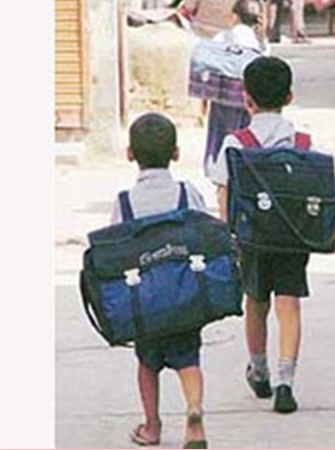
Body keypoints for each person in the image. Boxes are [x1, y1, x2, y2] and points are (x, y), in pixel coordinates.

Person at [209, 56, 311, 413]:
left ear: (246, 98)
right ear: (290, 97)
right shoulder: (302, 142)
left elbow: (223, 193)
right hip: (292, 237)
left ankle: (260, 370)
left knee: (255, 302)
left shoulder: (235, 143)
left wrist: (228, 235)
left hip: (251, 238)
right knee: (289, 304)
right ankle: (287, 381)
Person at [111, 113, 209, 449]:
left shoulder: (125, 202)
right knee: (189, 359)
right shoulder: (187, 193)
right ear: (176, 153)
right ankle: (194, 413)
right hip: (185, 295)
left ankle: (152, 426)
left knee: (147, 363)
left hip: (145, 302)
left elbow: (116, 249)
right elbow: (204, 231)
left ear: (130, 154)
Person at [203, 0, 268, 181]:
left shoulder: (223, 37)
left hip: (223, 99)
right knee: (246, 136)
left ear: (234, 17)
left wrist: (205, 98)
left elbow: (209, 66)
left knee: (221, 136)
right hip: (249, 99)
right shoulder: (261, 42)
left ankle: (219, 174)